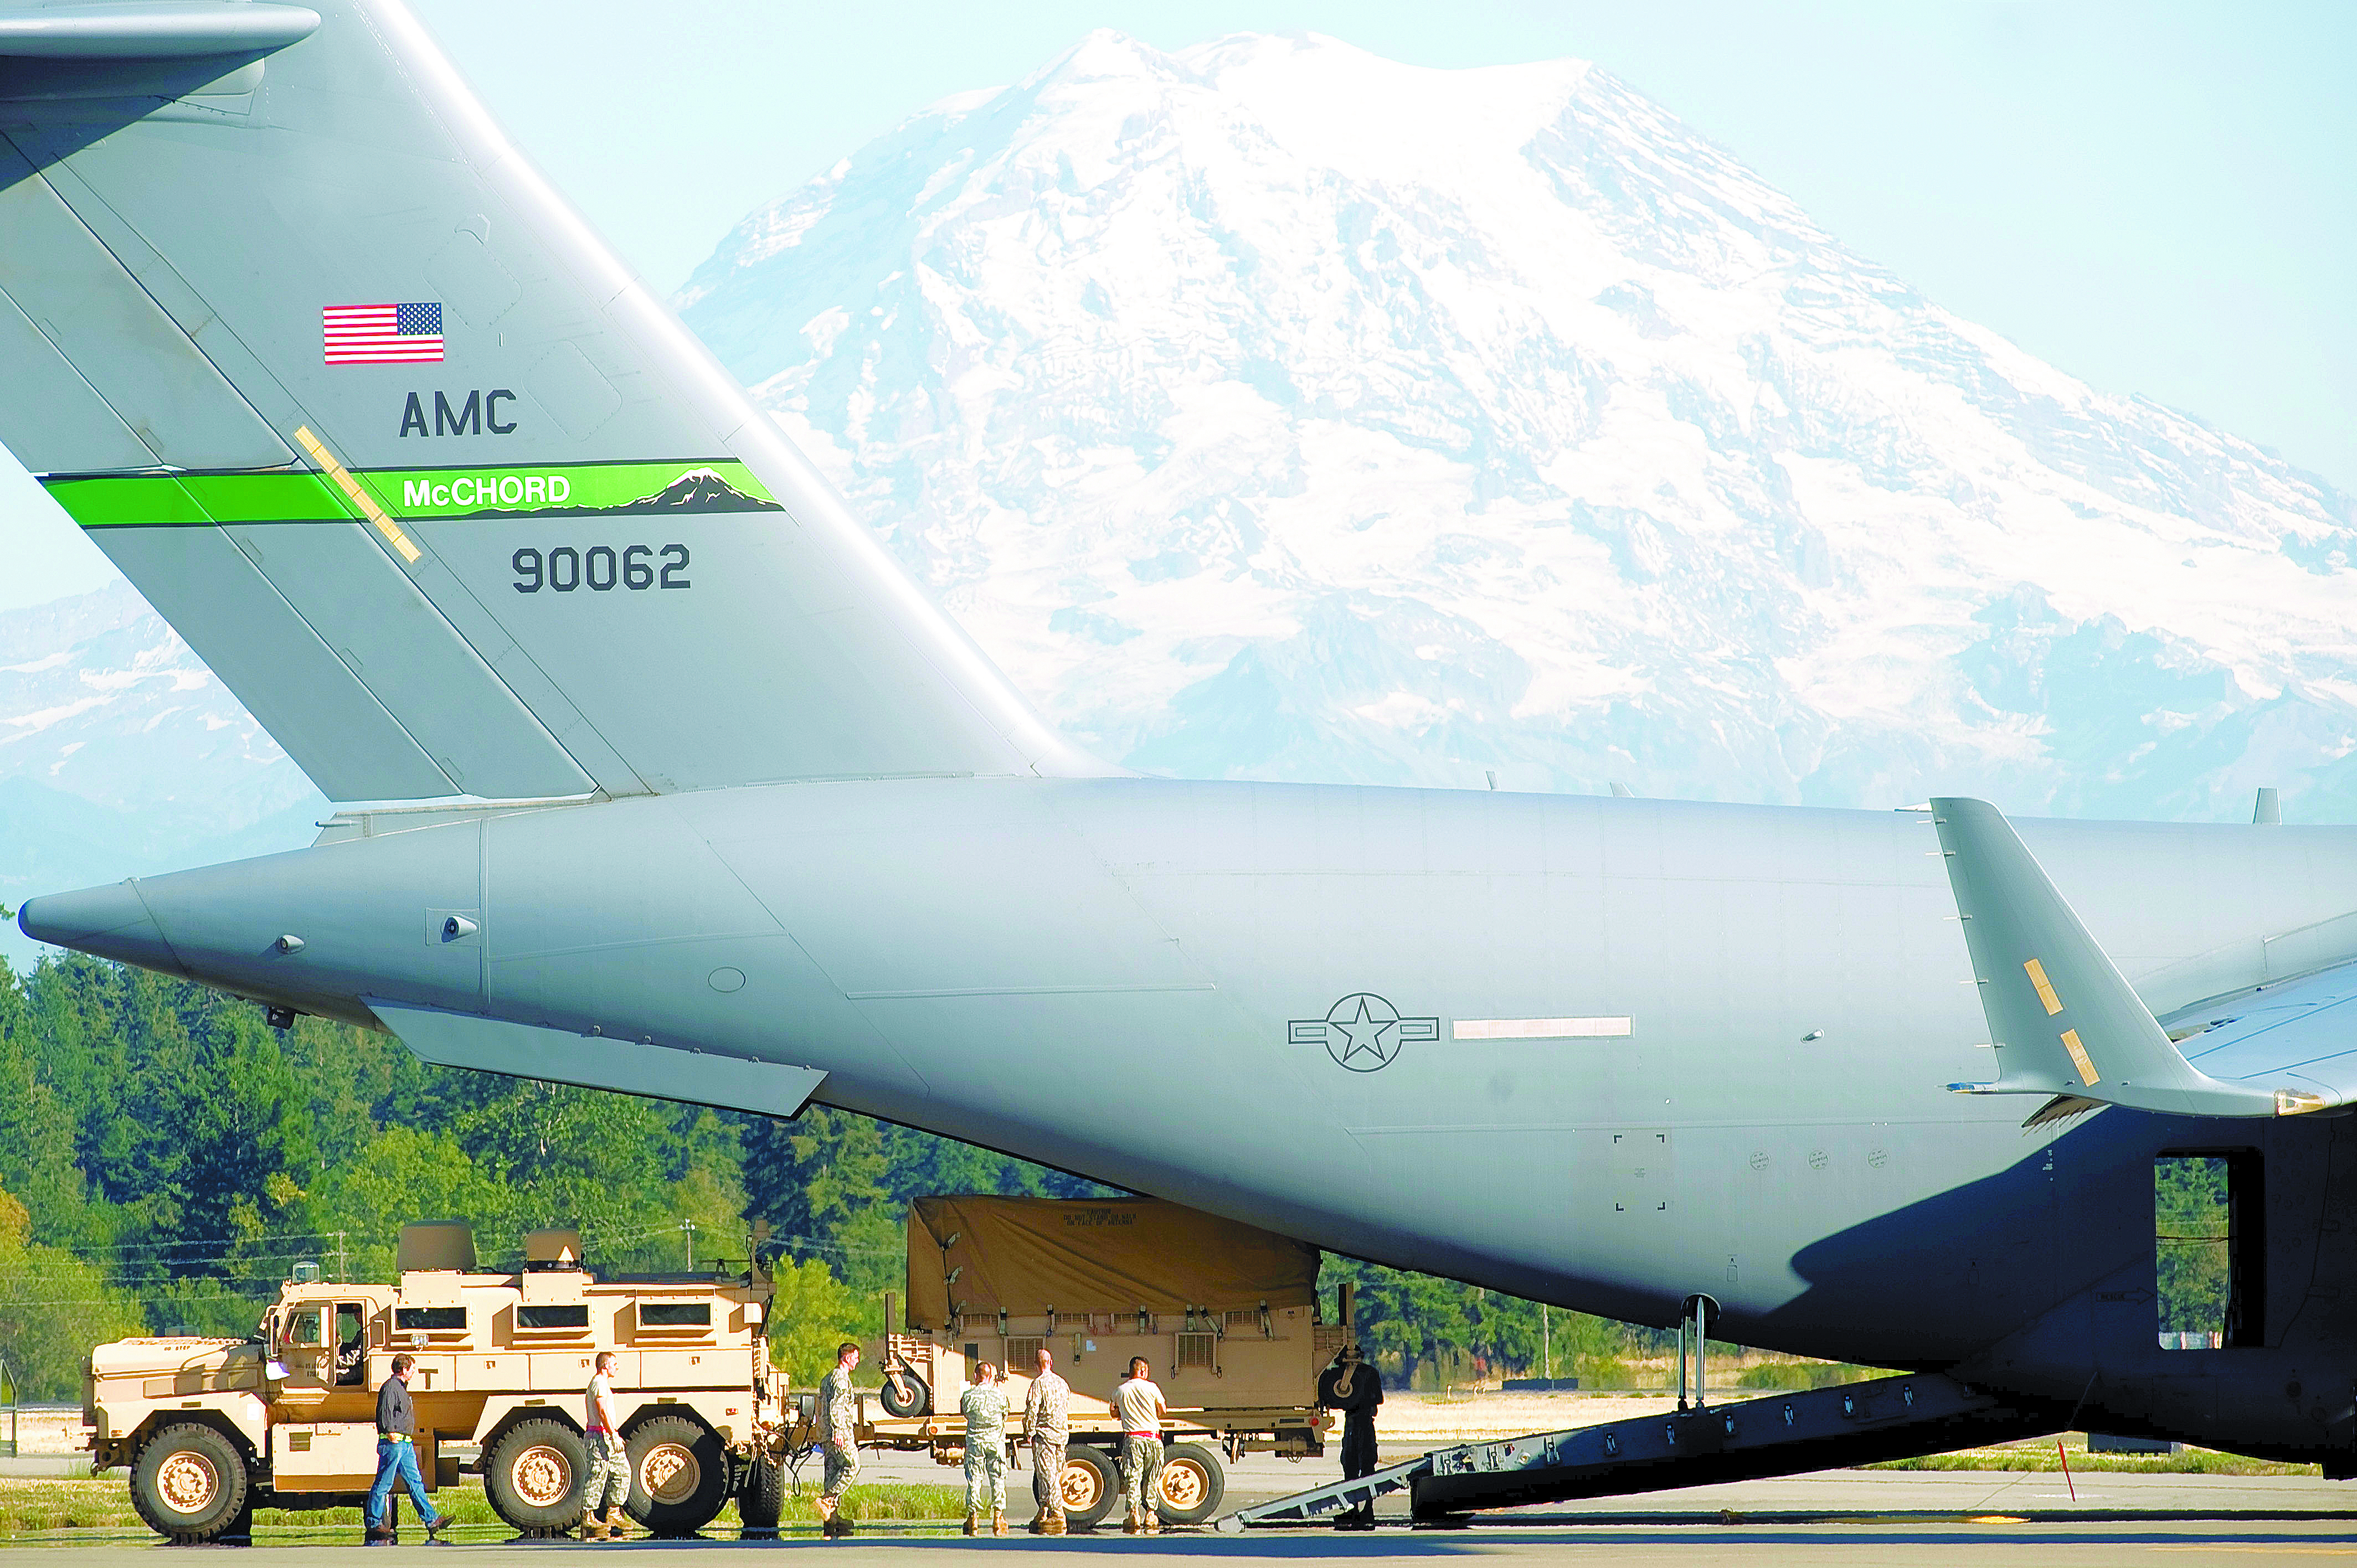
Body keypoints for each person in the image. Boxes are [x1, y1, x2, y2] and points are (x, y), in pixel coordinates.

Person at [364, 1354, 449, 1545]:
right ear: (404, 1370)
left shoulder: (401, 1388)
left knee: (415, 1483)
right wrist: (390, 1431)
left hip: (405, 1444)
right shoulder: (390, 1387)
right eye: (411, 1369)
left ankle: (432, 1520)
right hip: (394, 1443)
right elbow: (385, 1412)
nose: (413, 1373)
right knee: (384, 1484)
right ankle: (374, 1523)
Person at [1316, 1344, 1383, 1530]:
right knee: (1359, 1466)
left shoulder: (1364, 1374)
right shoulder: (1370, 1372)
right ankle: (1360, 1509)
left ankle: (1362, 1509)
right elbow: (1378, 1399)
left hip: (1358, 1422)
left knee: (1356, 1466)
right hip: (1359, 1422)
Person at [580, 1351, 632, 1541]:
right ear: (604, 1367)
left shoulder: (604, 1384)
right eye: (614, 1364)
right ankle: (588, 1518)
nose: (617, 1367)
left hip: (608, 1437)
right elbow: (601, 1410)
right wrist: (613, 1434)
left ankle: (614, 1513)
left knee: (622, 1471)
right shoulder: (599, 1383)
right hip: (600, 1436)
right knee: (597, 1475)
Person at [1115, 1356, 1169, 1535]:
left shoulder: (1120, 1390)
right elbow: (1162, 1410)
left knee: (1133, 1477)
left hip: (1133, 1438)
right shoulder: (1152, 1388)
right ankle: (1151, 1514)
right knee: (1153, 1477)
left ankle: (1133, 1513)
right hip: (1153, 1438)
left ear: (1131, 1370)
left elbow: (1114, 1413)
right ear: (1143, 1370)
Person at [1021, 1346, 1071, 1535]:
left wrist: (1029, 1430)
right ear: (1051, 1363)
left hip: (1046, 1436)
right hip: (1061, 1436)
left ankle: (1058, 1513)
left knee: (1047, 1476)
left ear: (1036, 1365)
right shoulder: (1063, 1383)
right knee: (1051, 1475)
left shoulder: (1038, 1384)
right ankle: (1044, 1511)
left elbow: (1032, 1409)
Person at [815, 1342, 862, 1538]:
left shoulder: (828, 1378)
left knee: (832, 1470)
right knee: (852, 1466)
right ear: (846, 1357)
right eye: (855, 1356)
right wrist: (838, 1431)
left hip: (825, 1434)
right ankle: (828, 1500)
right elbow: (836, 1406)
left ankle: (831, 1519)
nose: (858, 1361)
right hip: (839, 1432)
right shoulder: (841, 1380)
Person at [958, 1361, 1010, 1536]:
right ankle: (998, 1517)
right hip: (995, 1443)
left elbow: (965, 1413)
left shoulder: (968, 1395)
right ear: (992, 1377)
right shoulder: (1001, 1396)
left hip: (975, 1443)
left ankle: (973, 1517)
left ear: (975, 1376)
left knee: (974, 1479)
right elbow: (1005, 1415)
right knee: (998, 1478)